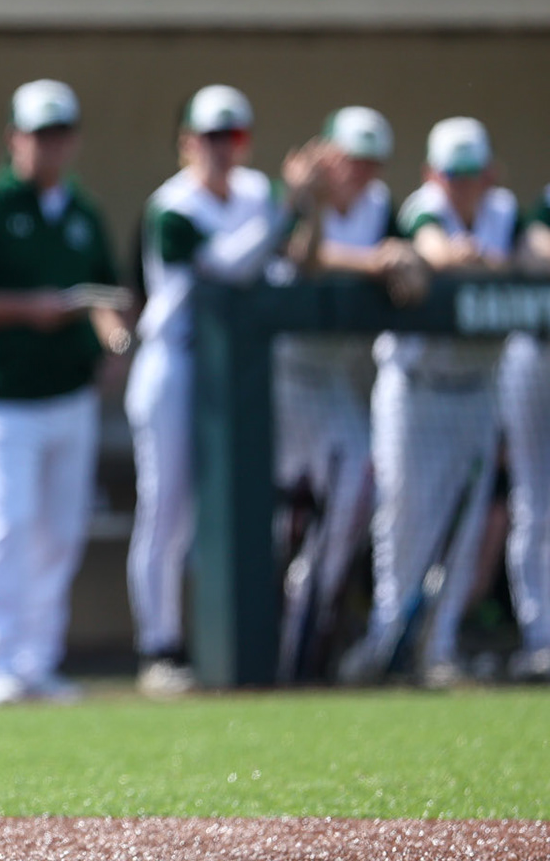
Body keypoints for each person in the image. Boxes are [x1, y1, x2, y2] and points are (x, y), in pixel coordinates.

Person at [0, 79, 132, 709]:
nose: (49, 146)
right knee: (8, 524)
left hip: (69, 395)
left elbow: (106, 299)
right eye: (38, 134)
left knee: (61, 531)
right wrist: (26, 309)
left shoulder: (84, 214)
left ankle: (39, 661)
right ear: (15, 137)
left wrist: (114, 342)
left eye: (60, 133)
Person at [126, 85, 324, 697]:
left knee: (240, 508)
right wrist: (291, 207)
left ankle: (228, 645)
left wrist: (306, 210)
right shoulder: (172, 207)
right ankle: (159, 646)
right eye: (210, 137)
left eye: (232, 136)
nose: (220, 149)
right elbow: (230, 269)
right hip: (176, 362)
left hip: (238, 366)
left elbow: (288, 261)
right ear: (187, 143)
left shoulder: (258, 193)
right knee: (169, 510)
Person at [340, 118, 516, 689]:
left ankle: (438, 649)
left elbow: (528, 256)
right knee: (405, 520)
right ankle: (388, 643)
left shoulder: (504, 210)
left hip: (477, 389)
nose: (461, 185)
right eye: (451, 174)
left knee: (464, 527)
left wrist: (494, 261)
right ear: (431, 174)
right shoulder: (421, 205)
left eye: (471, 174)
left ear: (488, 174)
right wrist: (478, 260)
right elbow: (434, 248)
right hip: (416, 389)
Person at [272, 107, 428, 680]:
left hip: (332, 375)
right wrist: (373, 259)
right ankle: (278, 632)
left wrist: (407, 260)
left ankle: (313, 625)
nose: (356, 173)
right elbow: (304, 259)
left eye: (367, 164)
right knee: (286, 512)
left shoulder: (380, 204)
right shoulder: (293, 197)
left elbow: (409, 255)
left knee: (358, 486)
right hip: (280, 373)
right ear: (325, 154)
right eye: (347, 160)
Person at [499, 184, 550, 681]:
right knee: (536, 506)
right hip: (535, 358)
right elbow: (533, 246)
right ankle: (540, 638)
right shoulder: (533, 212)